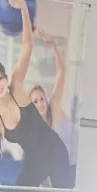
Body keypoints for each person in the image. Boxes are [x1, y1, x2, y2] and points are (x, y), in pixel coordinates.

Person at [0, 0, 75, 188]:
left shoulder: (16, 86)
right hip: (34, 162)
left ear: (6, 79)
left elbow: (27, 46)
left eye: (0, 78)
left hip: (55, 151)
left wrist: (23, 8)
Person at [28, 31, 78, 166]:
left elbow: (61, 73)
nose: (40, 103)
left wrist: (54, 46)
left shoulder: (53, 107)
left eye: (42, 99)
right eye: (35, 101)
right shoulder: (37, 131)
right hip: (70, 168)